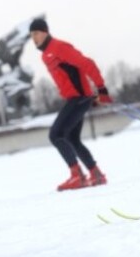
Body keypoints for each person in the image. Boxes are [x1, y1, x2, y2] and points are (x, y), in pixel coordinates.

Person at [29, 18, 113, 191]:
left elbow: (86, 63)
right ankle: (96, 174)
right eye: (31, 35)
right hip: (77, 98)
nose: (33, 38)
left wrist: (101, 88)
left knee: (56, 135)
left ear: (45, 31)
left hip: (79, 98)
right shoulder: (46, 54)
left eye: (36, 33)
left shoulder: (59, 47)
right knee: (72, 138)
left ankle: (78, 176)